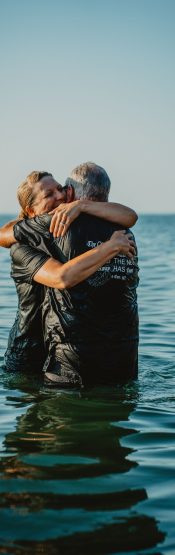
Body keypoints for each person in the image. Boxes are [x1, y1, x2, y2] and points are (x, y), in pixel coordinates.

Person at [0, 169, 136, 377]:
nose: (60, 196)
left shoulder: (61, 231)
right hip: (28, 354)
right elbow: (62, 277)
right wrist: (111, 246)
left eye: (60, 189)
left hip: (54, 349)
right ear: (31, 210)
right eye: (49, 194)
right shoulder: (24, 244)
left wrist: (81, 205)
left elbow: (130, 216)